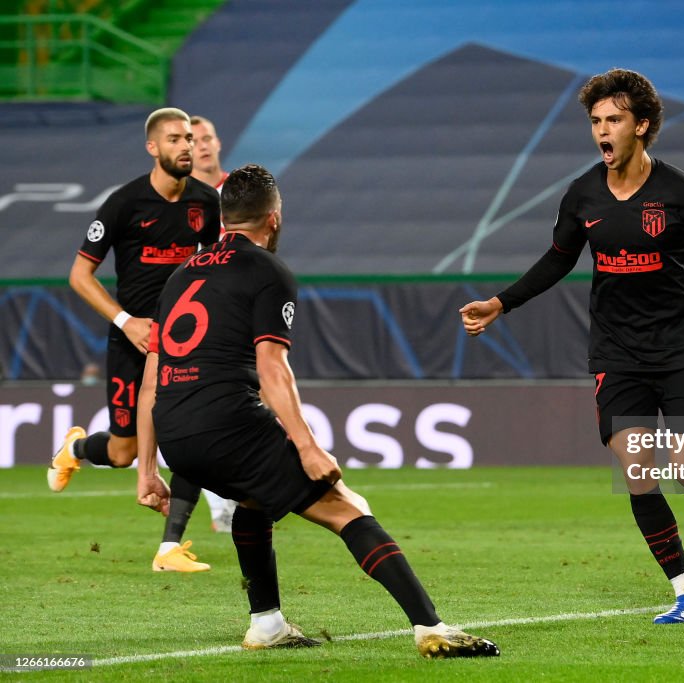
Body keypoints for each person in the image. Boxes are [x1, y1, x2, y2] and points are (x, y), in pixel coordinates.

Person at [134, 164, 499, 657]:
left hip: (176, 435)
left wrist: (147, 468)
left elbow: (151, 380)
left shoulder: (180, 275)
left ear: (224, 220)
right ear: (275, 219)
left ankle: (266, 623)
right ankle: (431, 628)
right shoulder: (268, 271)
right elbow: (272, 367)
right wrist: (308, 447)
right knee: (346, 506)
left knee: (254, 502)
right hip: (227, 421)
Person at [459, 69, 684, 625]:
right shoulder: (583, 194)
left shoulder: (680, 193)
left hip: (677, 347)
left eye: (614, 119)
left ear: (641, 126)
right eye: (596, 121)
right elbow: (557, 259)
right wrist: (501, 303)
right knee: (638, 468)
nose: (603, 130)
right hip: (615, 352)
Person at [49, 107, 221, 572]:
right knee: (123, 452)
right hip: (133, 338)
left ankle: (170, 547)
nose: (185, 146)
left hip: (184, 340)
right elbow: (80, 275)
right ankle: (76, 449)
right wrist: (127, 320)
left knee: (188, 429)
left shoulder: (206, 203)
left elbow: (213, 265)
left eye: (188, 138)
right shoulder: (124, 203)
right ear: (152, 147)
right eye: (174, 139)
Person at [188, 114, 236, 532]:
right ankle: (222, 502)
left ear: (218, 142)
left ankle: (228, 498)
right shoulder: (179, 198)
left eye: (207, 138)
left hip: (236, 304)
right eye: (193, 139)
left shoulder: (238, 191)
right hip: (194, 312)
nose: (201, 145)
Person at [189, 115, 229, 191]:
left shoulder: (243, 190)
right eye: (194, 142)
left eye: (207, 138)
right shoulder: (177, 197)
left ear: (218, 143)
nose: (203, 146)